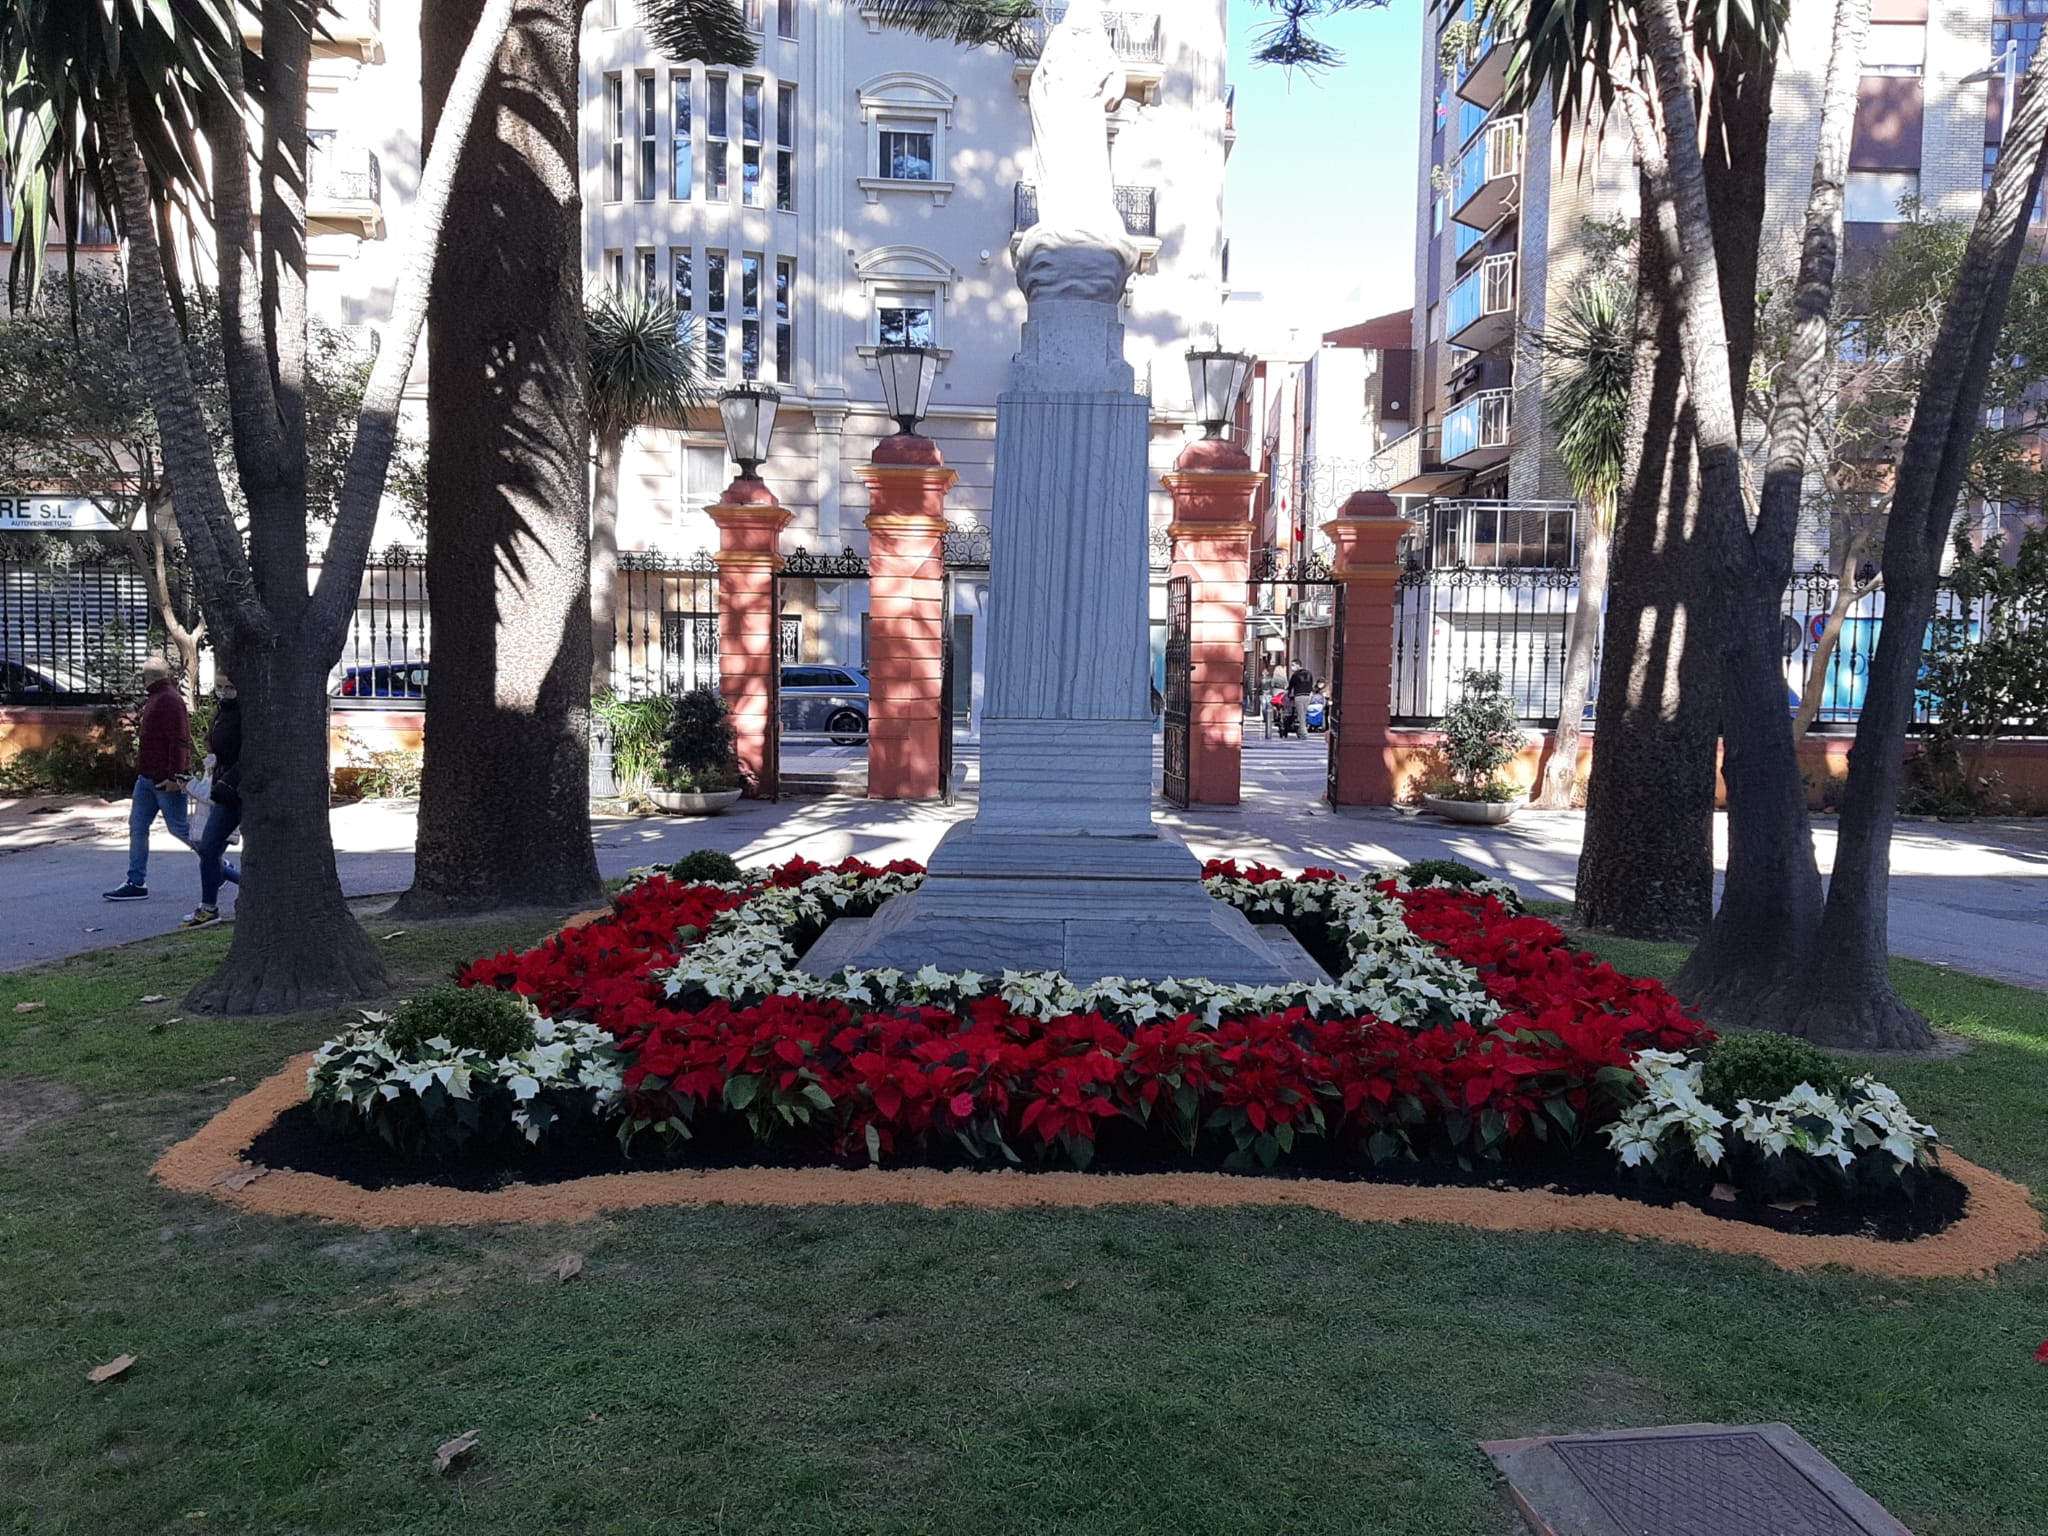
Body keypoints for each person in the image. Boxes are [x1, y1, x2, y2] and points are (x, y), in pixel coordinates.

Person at [103, 657, 190, 901]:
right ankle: (136, 881)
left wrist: (175, 776)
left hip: (164, 779)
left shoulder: (169, 700)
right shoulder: (158, 697)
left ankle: (217, 863)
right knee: (138, 826)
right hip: (147, 778)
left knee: (180, 829)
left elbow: (179, 740)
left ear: (147, 676)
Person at [181, 676, 245, 929]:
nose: (222, 692)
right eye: (219, 686)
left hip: (240, 788)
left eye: (229, 686)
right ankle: (209, 907)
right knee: (208, 847)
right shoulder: (223, 713)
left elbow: (249, 753)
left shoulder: (246, 713)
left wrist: (229, 778)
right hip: (224, 789)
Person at [1284, 657, 1315, 737]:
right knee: (1304, 713)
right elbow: (1311, 683)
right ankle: (1301, 729)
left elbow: (1291, 685)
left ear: (1298, 665)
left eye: (1293, 665)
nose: (1292, 667)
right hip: (1307, 695)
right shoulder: (1309, 673)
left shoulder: (1295, 674)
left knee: (1301, 714)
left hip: (1299, 695)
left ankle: (1303, 731)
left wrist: (1288, 693)